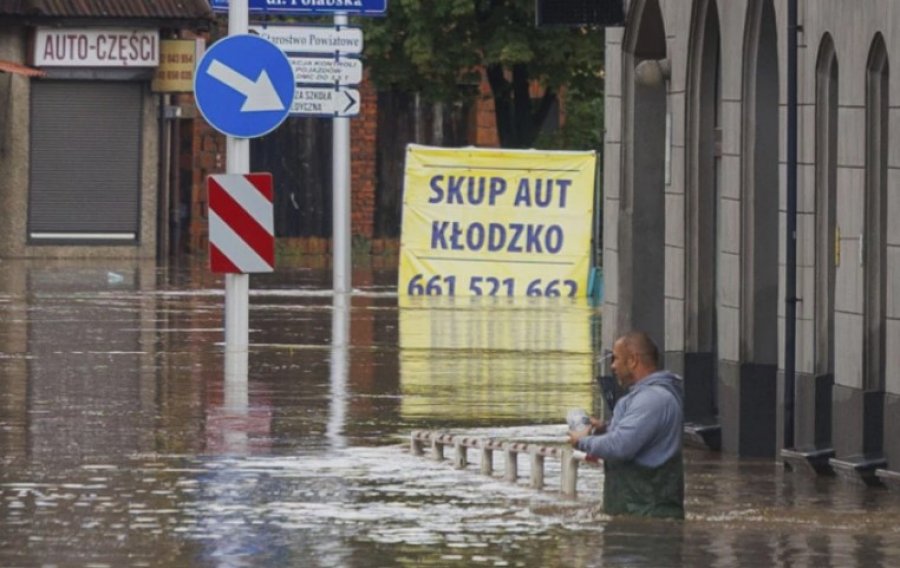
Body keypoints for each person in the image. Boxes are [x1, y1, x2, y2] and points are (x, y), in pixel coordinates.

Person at [568, 331, 685, 519]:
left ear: (633, 360)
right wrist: (605, 428)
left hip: (649, 520)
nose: (612, 366)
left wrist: (582, 441)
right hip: (636, 515)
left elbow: (620, 446)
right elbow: (636, 437)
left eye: (615, 359)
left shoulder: (652, 399)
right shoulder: (644, 397)